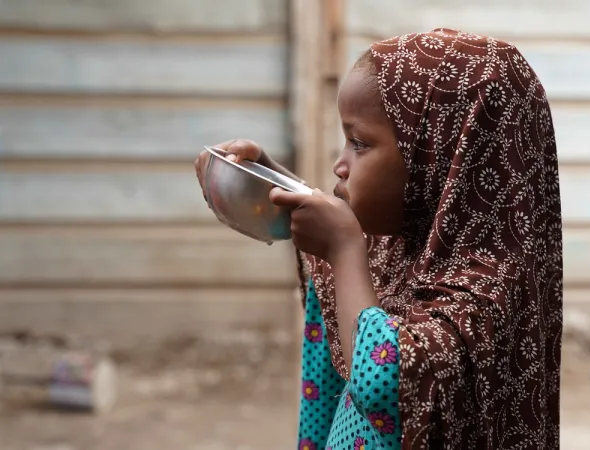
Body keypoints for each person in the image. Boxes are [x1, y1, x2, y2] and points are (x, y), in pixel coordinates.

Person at [195, 28, 563, 450]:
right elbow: (342, 272)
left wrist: (344, 248)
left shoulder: (489, 287)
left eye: (359, 143)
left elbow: (384, 382)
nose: (340, 164)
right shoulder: (407, 245)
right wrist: (268, 181)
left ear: (437, 157)